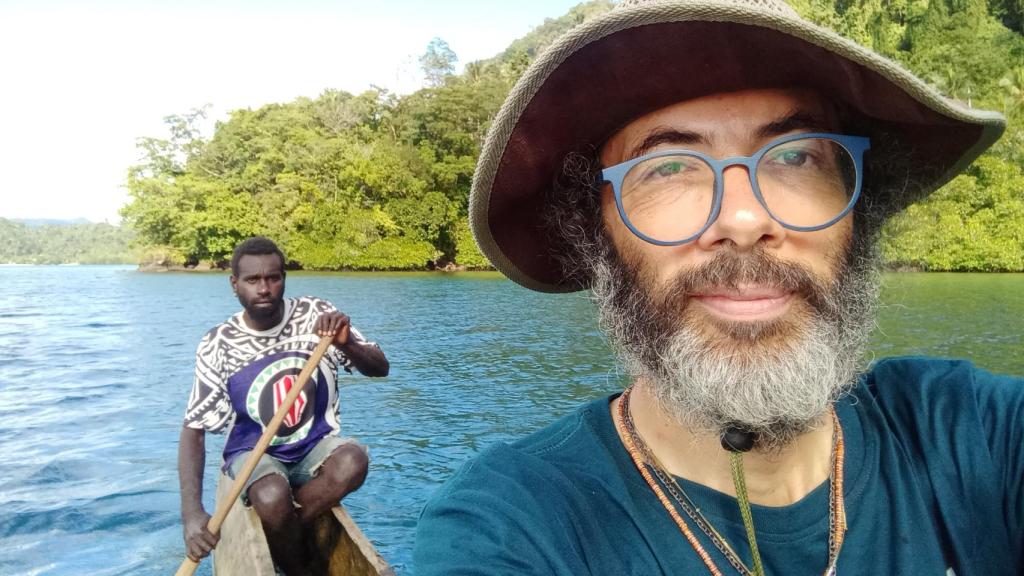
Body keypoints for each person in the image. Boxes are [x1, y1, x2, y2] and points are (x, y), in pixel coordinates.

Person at [414, 0, 1021, 574]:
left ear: (858, 206)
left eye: (796, 157)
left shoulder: (976, 434)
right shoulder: (515, 524)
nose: (745, 221)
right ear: (594, 234)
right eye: (670, 167)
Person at [178, 236, 389, 575]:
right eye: (252, 280)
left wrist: (347, 344)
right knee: (272, 495)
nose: (264, 288)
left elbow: (380, 368)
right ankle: (301, 565)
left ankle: (284, 531)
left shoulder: (315, 316)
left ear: (283, 279)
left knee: (353, 461)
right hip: (254, 453)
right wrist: (192, 515)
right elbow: (194, 430)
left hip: (313, 448)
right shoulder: (218, 342)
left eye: (273, 277)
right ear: (235, 284)